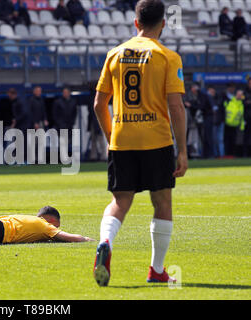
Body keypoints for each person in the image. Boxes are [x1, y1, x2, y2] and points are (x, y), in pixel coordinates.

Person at [92, 0, 187, 286]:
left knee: (120, 201)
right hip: (156, 139)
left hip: (122, 139)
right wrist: (182, 150)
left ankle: (105, 241)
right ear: (164, 24)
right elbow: (176, 107)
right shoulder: (168, 57)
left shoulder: (115, 54)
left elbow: (99, 104)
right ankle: (157, 270)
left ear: (136, 23)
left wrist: (112, 138)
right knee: (162, 202)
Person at [224, 89, 245, 157]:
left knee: (235, 141)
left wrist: (242, 126)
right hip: (226, 124)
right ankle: (226, 154)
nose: (239, 96)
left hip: (236, 126)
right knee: (226, 141)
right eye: (238, 94)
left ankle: (233, 155)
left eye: (241, 94)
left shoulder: (242, 104)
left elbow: (242, 116)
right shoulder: (230, 101)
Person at [208, 87, 225, 158]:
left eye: (213, 91)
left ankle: (221, 155)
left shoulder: (219, 99)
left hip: (220, 122)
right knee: (214, 140)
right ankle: (215, 155)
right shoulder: (208, 100)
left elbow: (222, 111)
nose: (212, 93)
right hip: (213, 122)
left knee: (220, 140)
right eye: (210, 92)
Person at [244, 78, 251, 157]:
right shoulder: (245, 92)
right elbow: (244, 102)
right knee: (246, 136)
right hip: (247, 117)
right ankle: (245, 154)